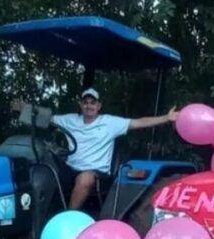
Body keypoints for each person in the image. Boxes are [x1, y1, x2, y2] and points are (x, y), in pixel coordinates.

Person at [15, 88, 177, 210]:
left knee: (85, 178)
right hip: (70, 168)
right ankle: (34, 212)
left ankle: (68, 216)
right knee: (42, 163)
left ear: (99, 106)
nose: (89, 105)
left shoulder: (110, 123)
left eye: (93, 102)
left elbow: (138, 122)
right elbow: (45, 118)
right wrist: (24, 109)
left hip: (95, 172)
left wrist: (166, 118)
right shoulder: (70, 120)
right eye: (85, 102)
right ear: (81, 105)